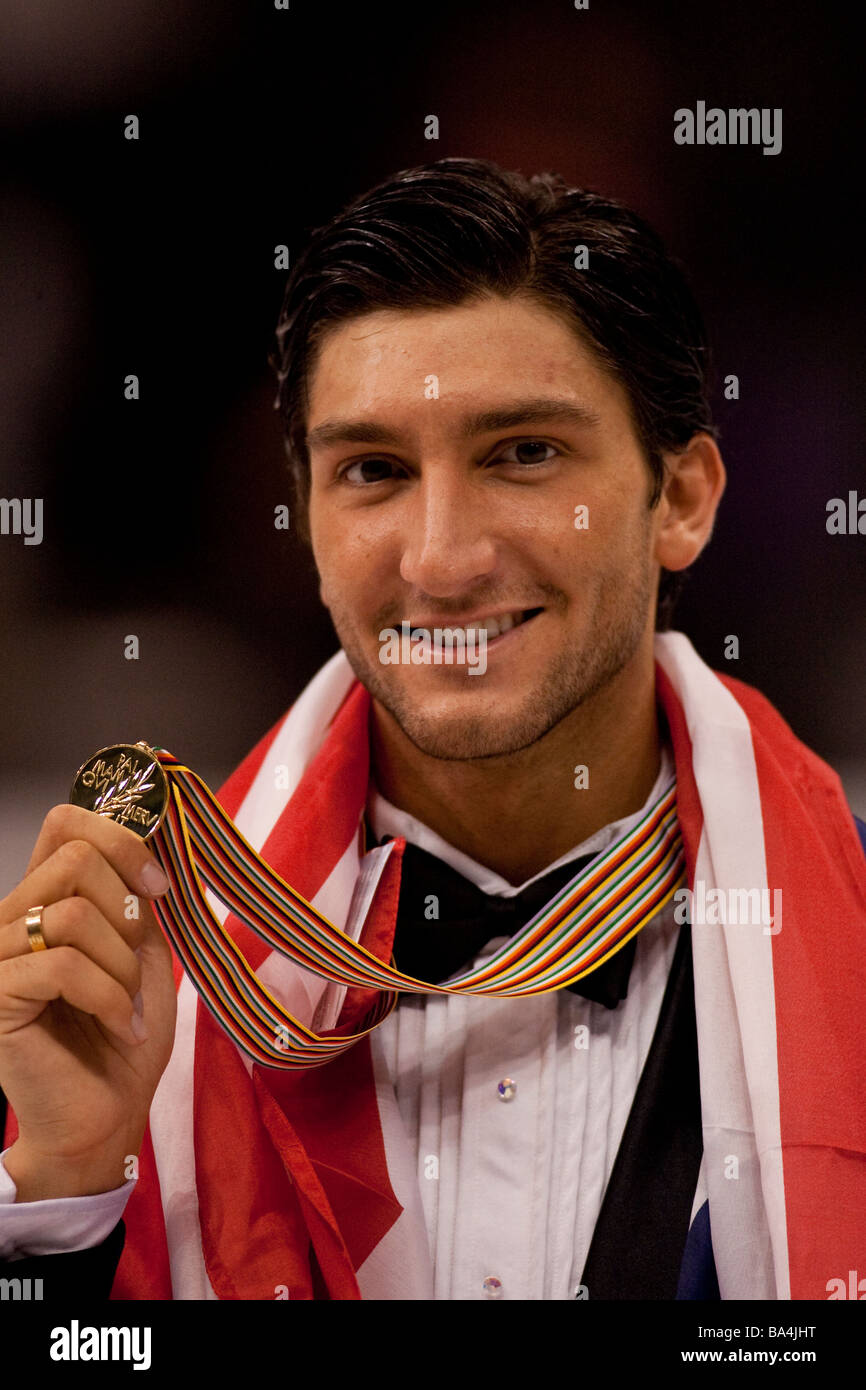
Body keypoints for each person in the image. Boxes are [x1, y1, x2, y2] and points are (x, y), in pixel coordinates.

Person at [1, 158, 864, 1301]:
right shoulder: (113, 988)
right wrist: (64, 1191)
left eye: (522, 453)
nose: (442, 560)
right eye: (372, 470)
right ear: (305, 519)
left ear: (682, 499)